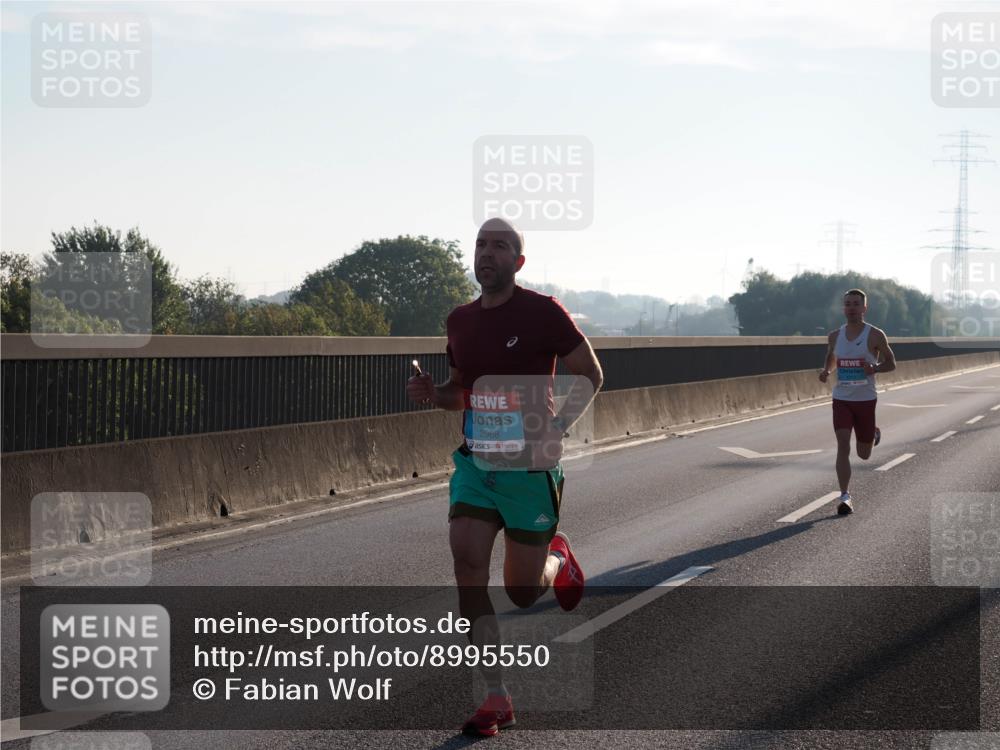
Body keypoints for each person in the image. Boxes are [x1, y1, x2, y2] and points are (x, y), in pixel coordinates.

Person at [406, 217, 603, 736]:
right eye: (480, 244)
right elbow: (459, 392)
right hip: (476, 466)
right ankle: (496, 697)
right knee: (467, 566)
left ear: (518, 262)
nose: (486, 252)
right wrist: (435, 395)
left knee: (521, 592)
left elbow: (592, 373)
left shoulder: (542, 313)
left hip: (528, 471)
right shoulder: (459, 321)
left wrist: (558, 424)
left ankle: (557, 559)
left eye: (499, 246)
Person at [818, 289, 896, 514]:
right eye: (847, 304)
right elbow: (831, 356)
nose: (851, 308)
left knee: (864, 454)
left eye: (855, 304)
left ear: (864, 308)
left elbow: (892, 363)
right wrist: (826, 371)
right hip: (841, 398)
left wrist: (875, 368)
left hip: (865, 399)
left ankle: (872, 432)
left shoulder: (875, 335)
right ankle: (844, 496)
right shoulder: (835, 335)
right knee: (843, 445)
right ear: (844, 308)